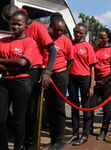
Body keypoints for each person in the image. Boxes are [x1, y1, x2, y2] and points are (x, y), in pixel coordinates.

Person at [0, 10, 40, 150]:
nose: (15, 26)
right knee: (1, 120)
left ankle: (18, 147)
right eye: (13, 23)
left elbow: (22, 62)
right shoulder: (3, 41)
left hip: (21, 82)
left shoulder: (30, 42)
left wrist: (3, 62)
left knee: (18, 121)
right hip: (4, 82)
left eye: (19, 24)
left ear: (25, 26)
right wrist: (12, 63)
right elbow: (16, 62)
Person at [44, 13, 74, 150]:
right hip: (45, 76)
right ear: (50, 26)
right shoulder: (44, 37)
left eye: (62, 30)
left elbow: (70, 60)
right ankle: (52, 139)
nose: (60, 32)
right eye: (57, 30)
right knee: (49, 108)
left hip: (60, 76)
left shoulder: (66, 41)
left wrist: (62, 72)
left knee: (58, 108)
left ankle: (59, 140)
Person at [65, 23, 97, 146]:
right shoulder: (69, 44)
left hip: (85, 78)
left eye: (81, 33)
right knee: (74, 106)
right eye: (76, 31)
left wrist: (91, 86)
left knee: (86, 106)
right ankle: (75, 133)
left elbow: (92, 67)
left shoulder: (88, 46)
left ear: (85, 34)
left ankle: (85, 133)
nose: (78, 34)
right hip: (71, 78)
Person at [93, 28, 111, 140]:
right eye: (99, 37)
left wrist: (103, 81)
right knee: (91, 105)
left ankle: (103, 130)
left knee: (106, 106)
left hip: (107, 82)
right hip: (94, 81)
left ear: (108, 38)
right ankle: (88, 128)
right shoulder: (94, 49)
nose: (100, 39)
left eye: (103, 37)